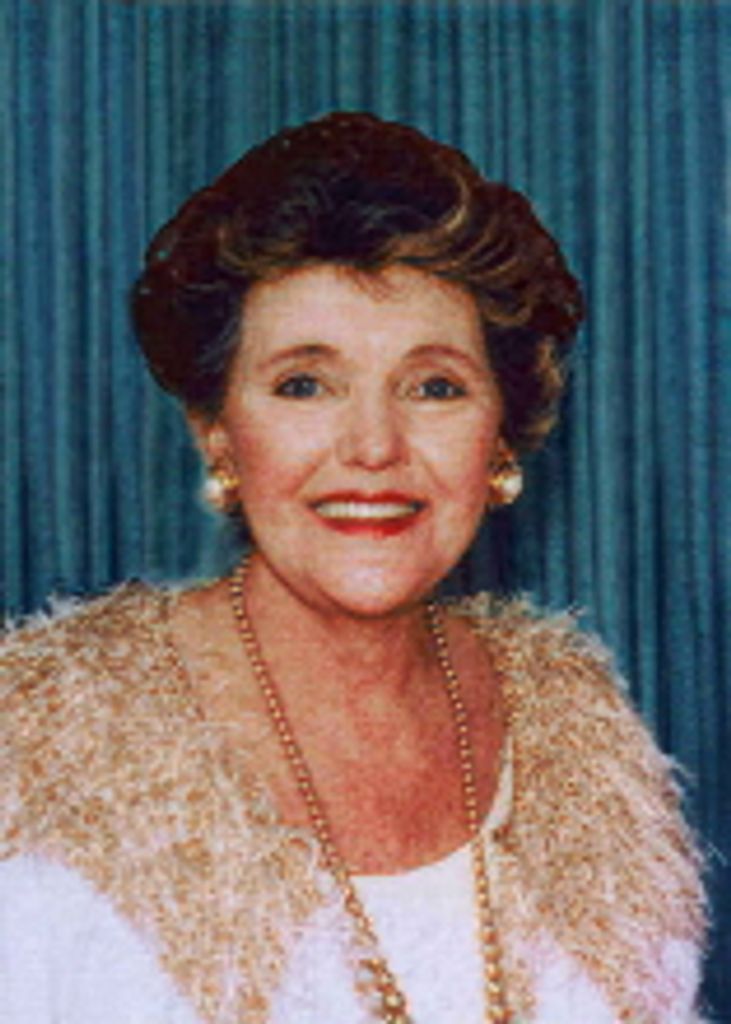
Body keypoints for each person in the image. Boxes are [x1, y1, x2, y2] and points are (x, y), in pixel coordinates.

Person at [0, 112, 705, 1024]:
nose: (374, 446)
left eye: (434, 387)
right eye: (304, 383)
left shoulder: (578, 731)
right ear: (216, 431)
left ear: (500, 436)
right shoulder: (40, 747)